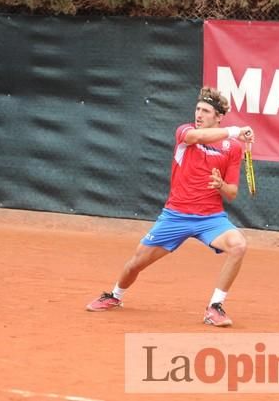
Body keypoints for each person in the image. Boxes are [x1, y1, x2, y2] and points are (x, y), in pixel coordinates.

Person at [86, 86, 255, 327]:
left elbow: (232, 193)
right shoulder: (185, 132)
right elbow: (196, 137)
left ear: (218, 117)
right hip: (175, 216)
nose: (199, 115)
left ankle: (215, 307)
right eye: (198, 109)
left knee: (239, 246)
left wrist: (220, 185)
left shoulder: (233, 148)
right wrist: (235, 131)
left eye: (206, 111)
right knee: (136, 263)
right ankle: (115, 295)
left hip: (211, 219)